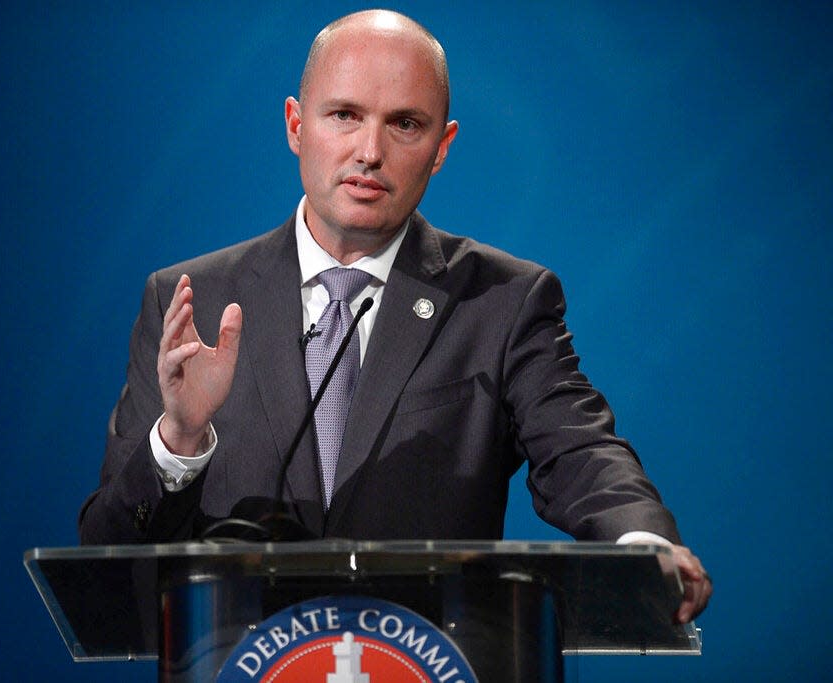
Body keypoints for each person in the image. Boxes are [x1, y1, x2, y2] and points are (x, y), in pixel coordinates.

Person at [79, 9, 711, 623]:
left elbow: (578, 449)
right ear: (297, 125)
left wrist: (640, 545)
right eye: (345, 115)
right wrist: (180, 439)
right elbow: (105, 553)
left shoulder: (501, 302)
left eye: (405, 124)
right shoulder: (190, 299)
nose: (370, 151)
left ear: (442, 145)